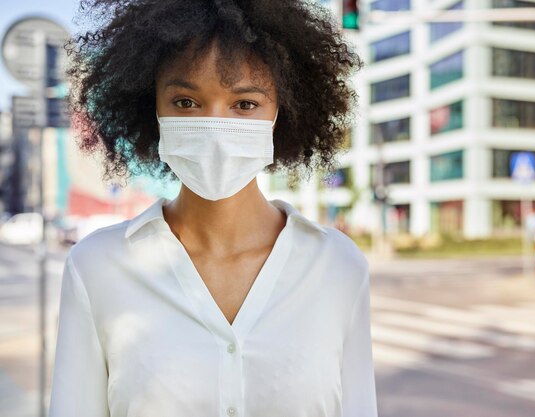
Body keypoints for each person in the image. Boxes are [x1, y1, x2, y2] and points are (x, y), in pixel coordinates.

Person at [48, 1, 377, 417]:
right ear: (152, 107)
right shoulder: (96, 267)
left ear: (282, 110)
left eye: (244, 104)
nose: (214, 126)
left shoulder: (338, 266)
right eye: (186, 102)